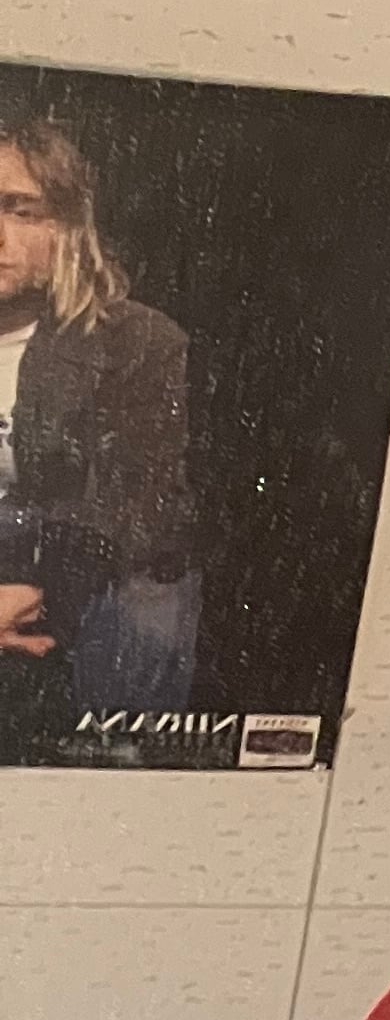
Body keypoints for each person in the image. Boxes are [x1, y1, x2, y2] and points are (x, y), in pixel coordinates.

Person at [0, 114, 195, 753]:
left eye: (19, 209)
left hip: (79, 557)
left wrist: (29, 590)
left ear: (67, 227)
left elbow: (134, 502)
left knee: (145, 597)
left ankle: (117, 762)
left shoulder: (136, 341)